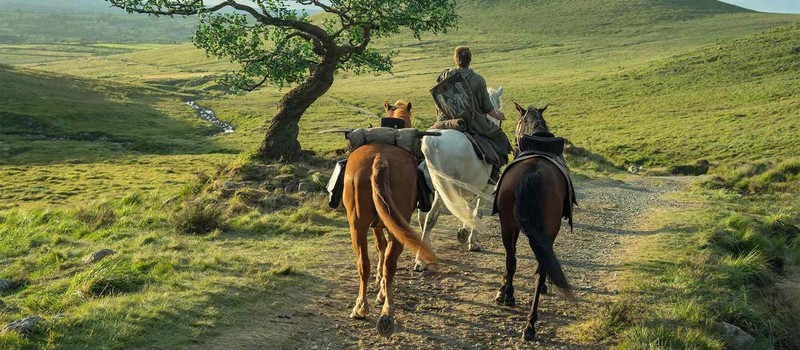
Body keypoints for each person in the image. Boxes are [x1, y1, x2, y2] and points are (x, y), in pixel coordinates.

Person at [436, 46, 512, 181]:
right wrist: (497, 115)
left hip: (445, 119)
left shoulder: (444, 75)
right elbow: (486, 106)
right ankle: (493, 176)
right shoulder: (477, 79)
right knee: (500, 138)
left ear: (455, 59)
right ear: (470, 60)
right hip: (472, 121)